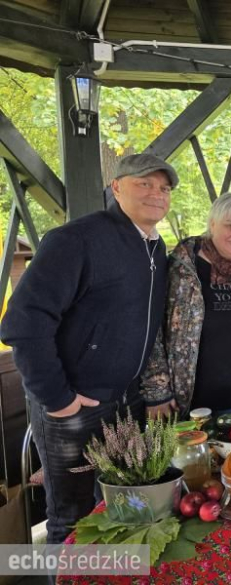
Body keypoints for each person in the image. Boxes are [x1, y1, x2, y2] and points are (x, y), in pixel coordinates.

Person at [0, 153, 176, 544]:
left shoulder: (155, 248)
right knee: (71, 520)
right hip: (74, 408)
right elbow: (23, 324)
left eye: (164, 188)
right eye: (144, 183)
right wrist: (58, 399)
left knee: (124, 508)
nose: (156, 194)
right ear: (117, 187)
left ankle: (110, 572)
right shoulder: (77, 240)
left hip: (126, 403)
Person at [141, 192, 231, 417]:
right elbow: (150, 329)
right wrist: (157, 391)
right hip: (188, 402)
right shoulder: (180, 268)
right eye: (230, 225)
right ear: (212, 224)